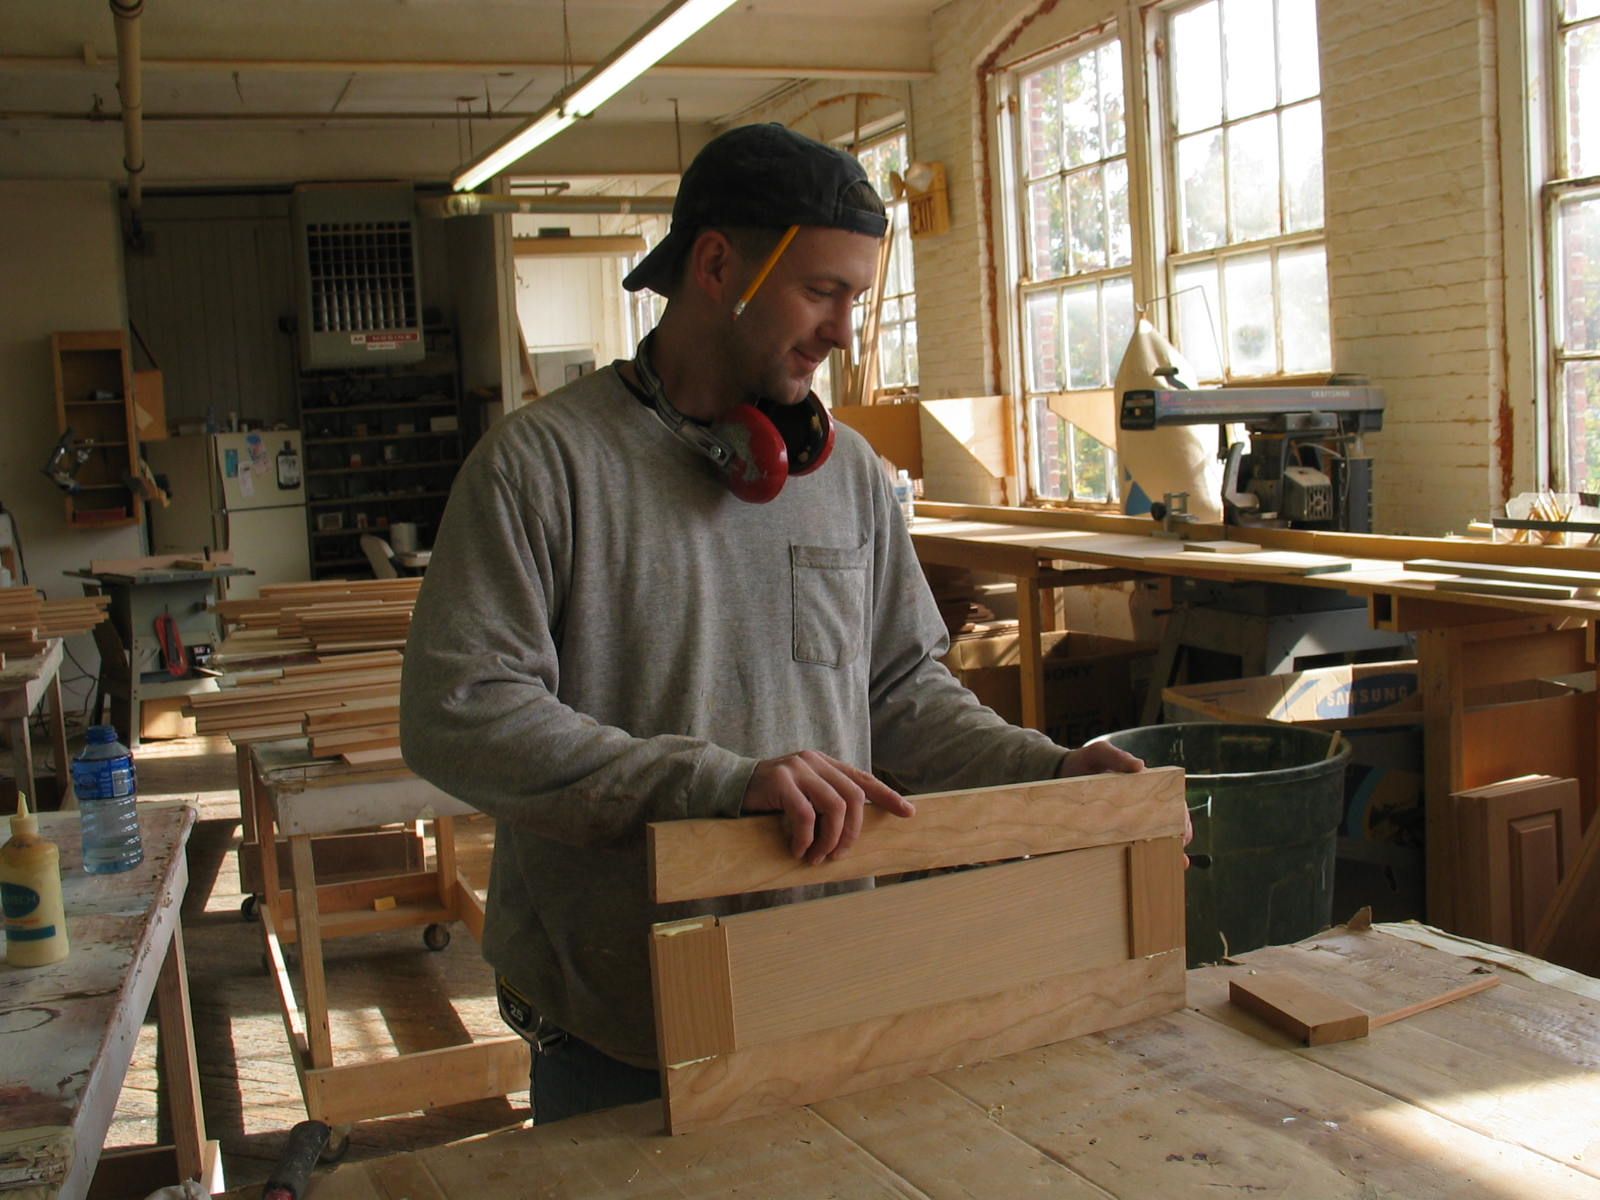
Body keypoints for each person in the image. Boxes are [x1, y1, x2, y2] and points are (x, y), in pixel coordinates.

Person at [398, 122, 1146, 1126]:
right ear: (716, 266)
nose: (842, 332)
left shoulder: (849, 478)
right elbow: (460, 712)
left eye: (856, 299)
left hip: (824, 983)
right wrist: (719, 786)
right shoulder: (543, 467)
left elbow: (902, 694)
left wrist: (1049, 775)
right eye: (822, 291)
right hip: (621, 1013)